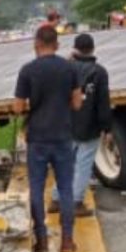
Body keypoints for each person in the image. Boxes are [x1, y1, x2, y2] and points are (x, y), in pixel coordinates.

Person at [13, 25, 83, 252]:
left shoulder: (27, 70)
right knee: (65, 189)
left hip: (38, 138)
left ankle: (41, 241)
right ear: (57, 44)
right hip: (63, 136)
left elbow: (18, 107)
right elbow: (77, 103)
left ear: (36, 44)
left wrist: (28, 108)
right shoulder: (69, 68)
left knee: (36, 188)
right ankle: (67, 241)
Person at [49, 34, 111, 217]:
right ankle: (76, 203)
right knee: (83, 164)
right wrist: (107, 128)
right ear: (92, 49)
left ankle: (56, 200)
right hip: (88, 126)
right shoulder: (99, 72)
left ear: (75, 49)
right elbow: (103, 103)